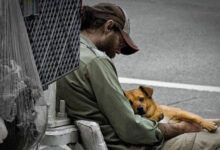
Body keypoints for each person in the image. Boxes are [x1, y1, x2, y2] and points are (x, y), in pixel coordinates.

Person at [56, 2, 220, 150]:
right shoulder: (96, 62)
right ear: (109, 26)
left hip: (95, 138)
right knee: (216, 137)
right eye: (120, 42)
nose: (119, 50)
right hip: (130, 146)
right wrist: (179, 129)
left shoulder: (63, 52)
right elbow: (130, 127)